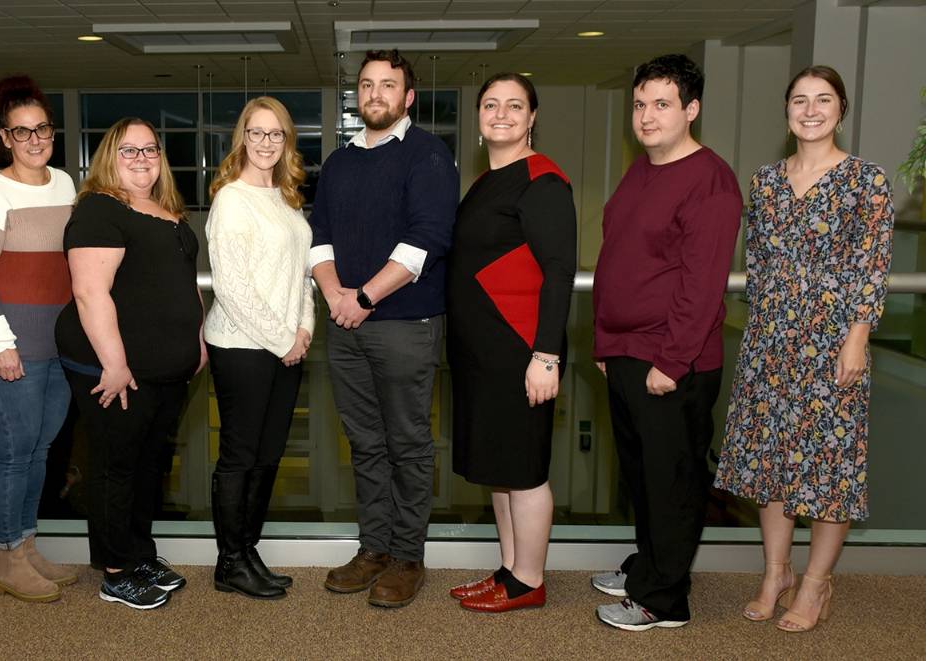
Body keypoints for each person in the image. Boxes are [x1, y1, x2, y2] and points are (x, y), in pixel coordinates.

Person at [713, 66, 894, 633]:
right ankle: (775, 574)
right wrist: (757, 335)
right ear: (786, 109)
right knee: (770, 463)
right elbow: (760, 265)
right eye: (799, 99)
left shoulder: (868, 181)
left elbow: (872, 266)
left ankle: (816, 583)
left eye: (823, 100)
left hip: (834, 343)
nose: (810, 110)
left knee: (829, 468)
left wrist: (858, 338)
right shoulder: (765, 181)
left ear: (842, 109)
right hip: (770, 341)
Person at [590, 54, 742, 631]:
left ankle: (664, 601)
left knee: (673, 479)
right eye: (639, 104)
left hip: (671, 360)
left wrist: (671, 363)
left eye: (662, 105)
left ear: (691, 109)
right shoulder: (641, 169)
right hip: (628, 352)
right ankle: (648, 567)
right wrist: (607, 344)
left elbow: (702, 287)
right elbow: (620, 260)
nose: (647, 117)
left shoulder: (711, 180)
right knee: (642, 475)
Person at [310, 49, 458, 608]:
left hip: (403, 324)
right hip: (345, 323)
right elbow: (318, 236)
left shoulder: (428, 155)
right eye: (367, 85)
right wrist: (333, 294)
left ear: (408, 96)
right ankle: (373, 547)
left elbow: (427, 238)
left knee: (408, 445)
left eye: (387, 86)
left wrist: (366, 296)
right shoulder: (339, 162)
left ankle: (407, 557)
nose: (375, 94)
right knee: (365, 444)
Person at [55, 117, 204, 610]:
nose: (142, 158)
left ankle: (139, 554)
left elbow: (183, 284)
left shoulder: (166, 210)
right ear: (108, 159)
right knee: (115, 467)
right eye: (128, 151)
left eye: (150, 149)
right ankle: (116, 571)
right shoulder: (100, 209)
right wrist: (115, 365)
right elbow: (89, 291)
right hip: (113, 367)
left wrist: (197, 340)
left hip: (164, 369)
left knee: (147, 466)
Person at [445, 73, 577, 613]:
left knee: (523, 470)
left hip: (521, 350)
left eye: (514, 105)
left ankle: (530, 580)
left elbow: (559, 268)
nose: (501, 113)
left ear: (532, 117)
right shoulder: (487, 181)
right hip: (482, 353)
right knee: (499, 467)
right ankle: (509, 569)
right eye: (491, 104)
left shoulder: (542, 181)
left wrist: (546, 357)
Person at [0, 75, 77, 602]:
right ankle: (7, 558)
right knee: (11, 452)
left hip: (55, 348)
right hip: (4, 347)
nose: (33, 140)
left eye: (41, 129)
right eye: (21, 132)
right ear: (5, 137)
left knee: (39, 451)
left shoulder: (67, 184)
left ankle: (26, 546)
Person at [204, 97, 314, 600]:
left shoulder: (286, 197)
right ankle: (229, 562)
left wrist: (305, 330)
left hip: (286, 346)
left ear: (286, 140)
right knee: (240, 457)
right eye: (257, 132)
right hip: (242, 346)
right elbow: (232, 287)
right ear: (242, 137)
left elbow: (303, 277)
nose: (266, 143)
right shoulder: (231, 198)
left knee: (268, 456)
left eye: (276, 134)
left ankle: (248, 551)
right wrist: (282, 339)